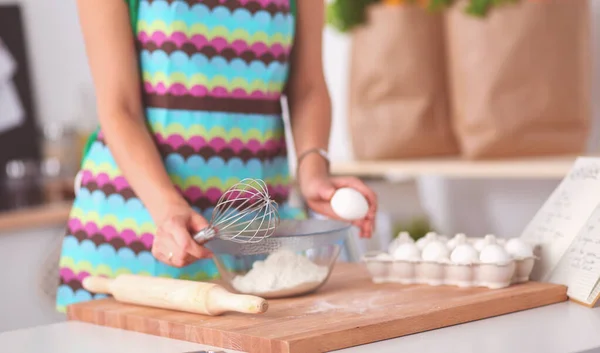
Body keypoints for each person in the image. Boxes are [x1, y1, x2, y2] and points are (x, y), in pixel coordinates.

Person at [56, 0, 377, 312]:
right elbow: (120, 108)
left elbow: (307, 87)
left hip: (253, 233)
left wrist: (313, 173)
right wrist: (167, 208)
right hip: (138, 227)